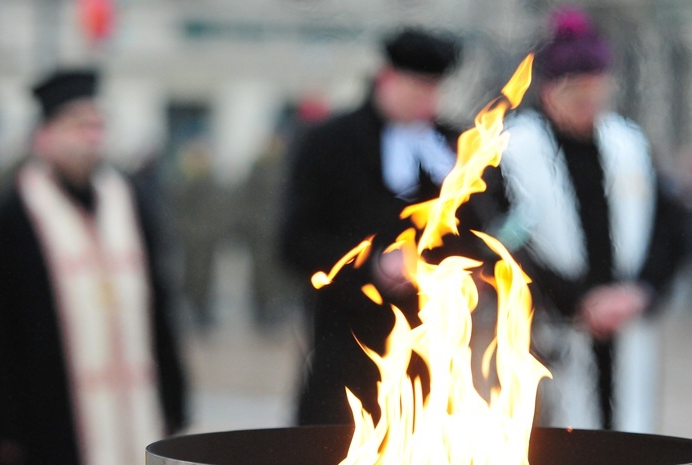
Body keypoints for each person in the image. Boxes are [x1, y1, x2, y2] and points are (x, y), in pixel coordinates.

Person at [0, 69, 188, 465]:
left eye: (97, 125)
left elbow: (159, 310)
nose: (90, 137)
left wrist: (172, 397)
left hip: (130, 413)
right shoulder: (9, 221)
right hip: (43, 427)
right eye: (78, 125)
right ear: (45, 136)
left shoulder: (130, 205)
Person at [280, 27, 503, 426]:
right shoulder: (330, 143)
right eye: (415, 88)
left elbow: (480, 232)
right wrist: (374, 266)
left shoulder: (456, 145)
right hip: (348, 347)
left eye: (433, 89)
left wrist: (444, 269)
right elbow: (296, 243)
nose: (426, 100)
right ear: (386, 79)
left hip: (435, 344)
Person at [495, 6, 686, 432]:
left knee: (630, 438)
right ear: (550, 92)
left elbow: (667, 227)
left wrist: (640, 292)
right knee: (563, 441)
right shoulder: (513, 150)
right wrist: (577, 299)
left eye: (596, 92)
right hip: (555, 323)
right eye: (577, 94)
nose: (589, 105)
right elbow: (505, 238)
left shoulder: (627, 142)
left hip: (625, 318)